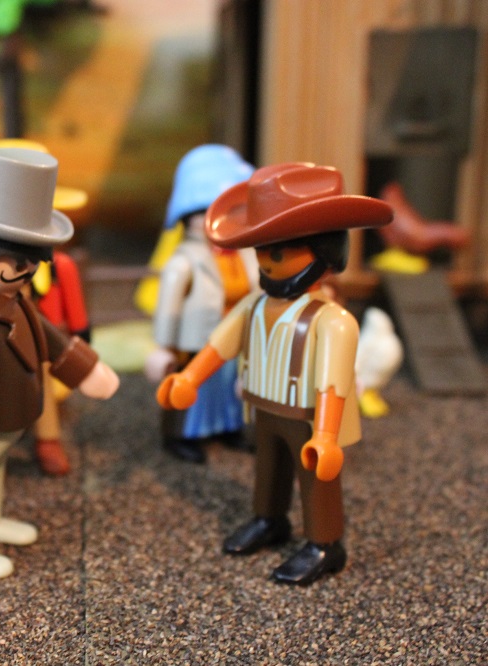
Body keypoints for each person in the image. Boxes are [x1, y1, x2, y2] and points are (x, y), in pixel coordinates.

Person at [157, 162, 393, 585]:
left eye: (277, 252)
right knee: (268, 469)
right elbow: (220, 344)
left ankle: (325, 544)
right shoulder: (254, 305)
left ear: (323, 252)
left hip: (310, 419)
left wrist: (326, 435)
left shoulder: (332, 320)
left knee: (316, 483)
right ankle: (269, 519)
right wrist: (189, 379)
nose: (265, 261)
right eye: (261, 250)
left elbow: (333, 382)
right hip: (264, 406)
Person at [0, 147, 119, 578]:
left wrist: (85, 369)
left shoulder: (19, 304)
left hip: (7, 418)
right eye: (16, 261)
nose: (26, 270)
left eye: (31, 260)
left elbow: (52, 340)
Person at [145, 144, 258, 463]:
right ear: (189, 216)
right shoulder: (185, 260)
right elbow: (168, 306)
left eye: (230, 211)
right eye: (208, 212)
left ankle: (228, 427)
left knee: (229, 387)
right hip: (197, 340)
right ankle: (181, 434)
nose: (220, 221)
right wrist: (164, 345)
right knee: (193, 386)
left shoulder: (246, 254)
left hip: (235, 337)